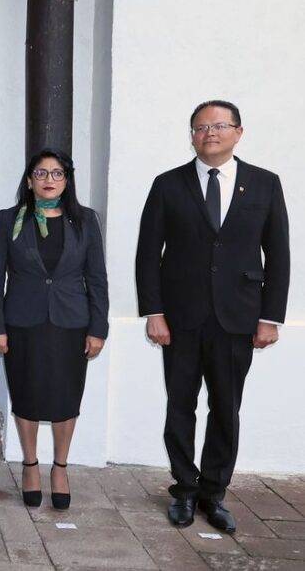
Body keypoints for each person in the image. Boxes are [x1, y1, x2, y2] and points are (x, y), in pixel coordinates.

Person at [136, 100, 289, 533]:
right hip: (180, 318)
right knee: (180, 406)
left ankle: (213, 493)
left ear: (238, 132)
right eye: (200, 127)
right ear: (191, 135)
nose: (210, 133)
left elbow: (278, 255)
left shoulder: (264, 184)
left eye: (219, 126)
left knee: (226, 408)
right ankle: (184, 489)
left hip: (238, 318)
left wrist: (269, 317)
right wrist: (154, 312)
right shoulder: (168, 185)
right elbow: (148, 254)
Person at [0, 148, 108, 510]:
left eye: (57, 173)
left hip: (72, 323)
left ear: (66, 181)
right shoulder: (9, 220)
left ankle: (61, 468)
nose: (49, 180)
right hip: (22, 323)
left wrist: (98, 328)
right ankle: (30, 465)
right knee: (26, 395)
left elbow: (97, 278)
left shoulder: (85, 220)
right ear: (29, 180)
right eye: (41, 173)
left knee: (66, 398)